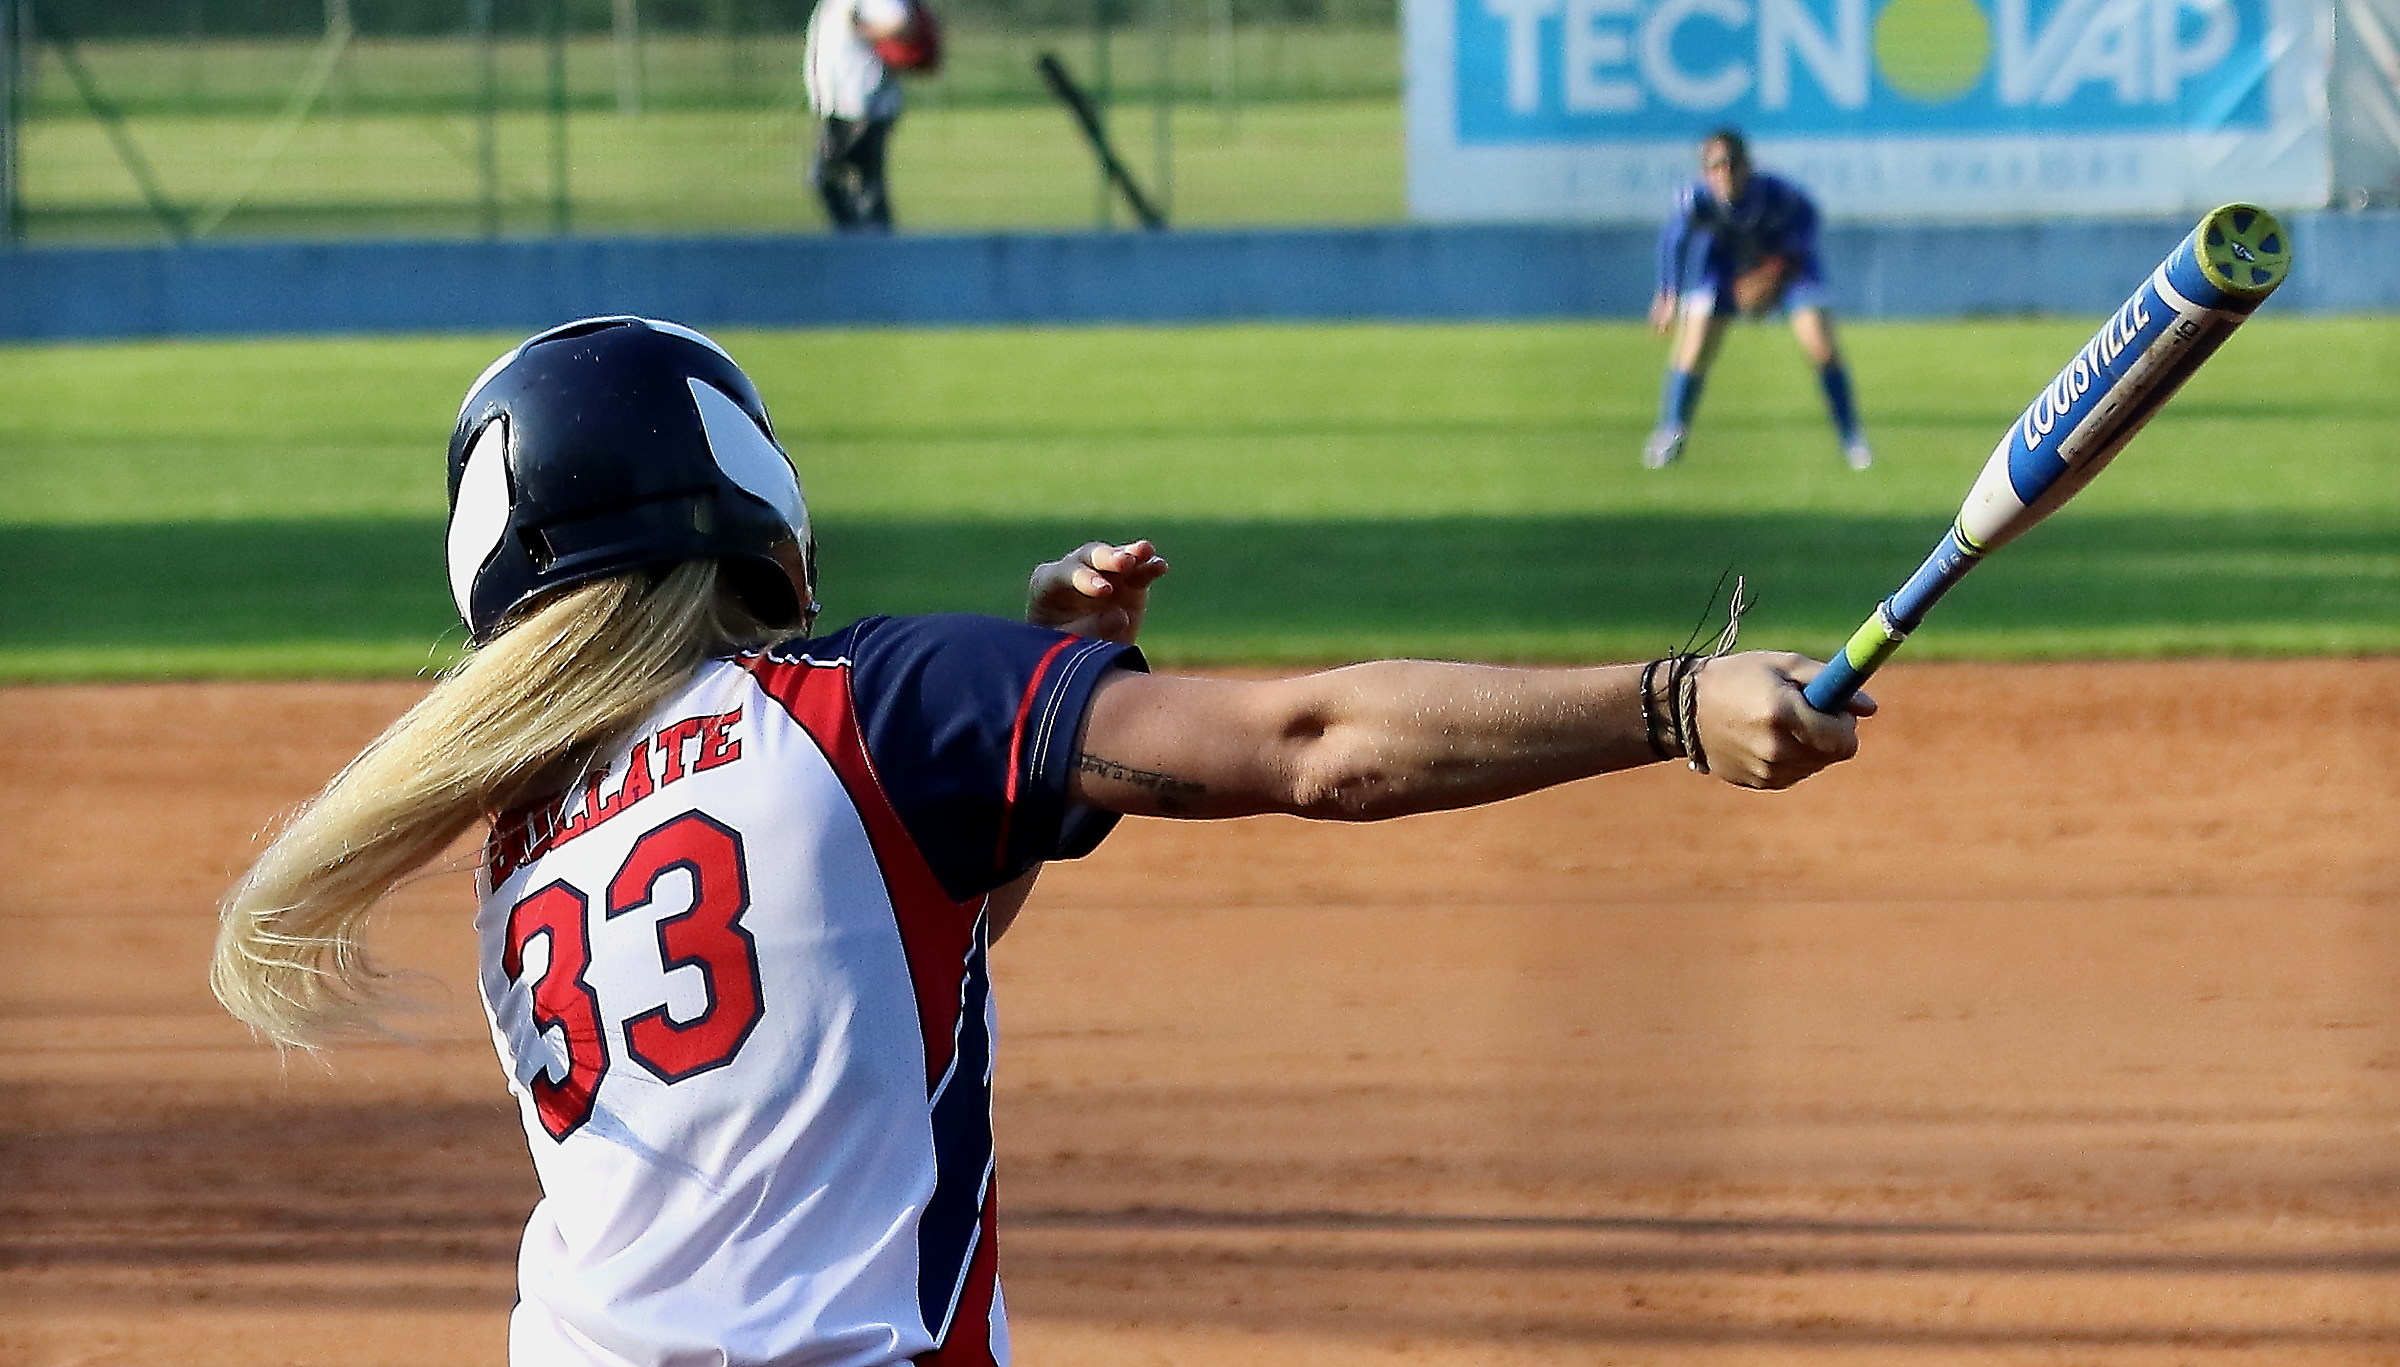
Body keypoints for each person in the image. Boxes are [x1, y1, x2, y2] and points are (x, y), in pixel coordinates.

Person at [212, 316, 1872, 1367]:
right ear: (743, 488)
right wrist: (1667, 702)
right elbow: (1316, 750)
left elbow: (882, 956)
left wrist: (1018, 727)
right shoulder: (872, 697)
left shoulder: (521, 839)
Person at [1644, 127, 1872, 472]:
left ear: (1747, 166)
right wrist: (1668, 292)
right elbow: (1674, 240)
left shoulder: (1777, 196)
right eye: (1716, 166)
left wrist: (1770, 276)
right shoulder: (1697, 199)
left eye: (1733, 164)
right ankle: (1672, 430)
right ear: (1705, 172)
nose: (1726, 174)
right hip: (1725, 271)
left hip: (1785, 269)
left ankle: (1851, 438)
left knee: (1821, 347)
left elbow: (1806, 226)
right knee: (1695, 341)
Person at [803, 0, 921, 231]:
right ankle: (867, 243)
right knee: (858, 183)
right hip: (845, 107)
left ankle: (863, 245)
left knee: (833, 178)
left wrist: (861, 28)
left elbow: (903, 24)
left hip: (861, 107)